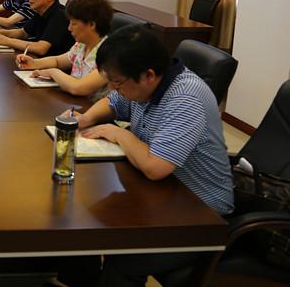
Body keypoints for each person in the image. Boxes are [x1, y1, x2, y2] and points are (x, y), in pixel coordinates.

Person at [67, 25, 234, 285]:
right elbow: (113, 102)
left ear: (149, 75)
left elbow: (156, 167)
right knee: (82, 217)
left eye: (117, 82)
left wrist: (118, 133)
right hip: (161, 194)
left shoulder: (185, 98)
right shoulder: (144, 86)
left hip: (199, 212)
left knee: (124, 259)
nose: (113, 88)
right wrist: (85, 119)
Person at [15, 0, 111, 97]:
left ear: (91, 25)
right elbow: (57, 61)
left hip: (91, 105)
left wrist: (52, 72)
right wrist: (33, 63)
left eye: (74, 24)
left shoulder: (109, 55)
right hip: (74, 102)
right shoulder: (81, 45)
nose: (69, 28)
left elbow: (78, 88)